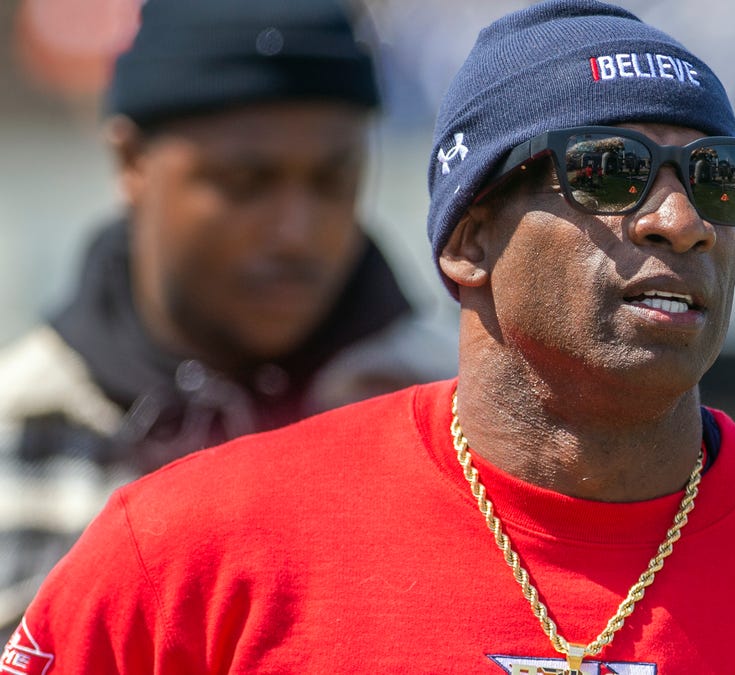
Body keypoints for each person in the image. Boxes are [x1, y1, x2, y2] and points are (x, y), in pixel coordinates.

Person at [5, 1, 735, 672]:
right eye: (608, 171)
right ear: (469, 239)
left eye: (721, 181)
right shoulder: (185, 555)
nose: (679, 221)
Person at [0, 0, 454, 634]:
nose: (295, 232)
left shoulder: (454, 418)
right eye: (244, 182)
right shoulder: (21, 429)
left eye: (331, 180)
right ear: (132, 162)